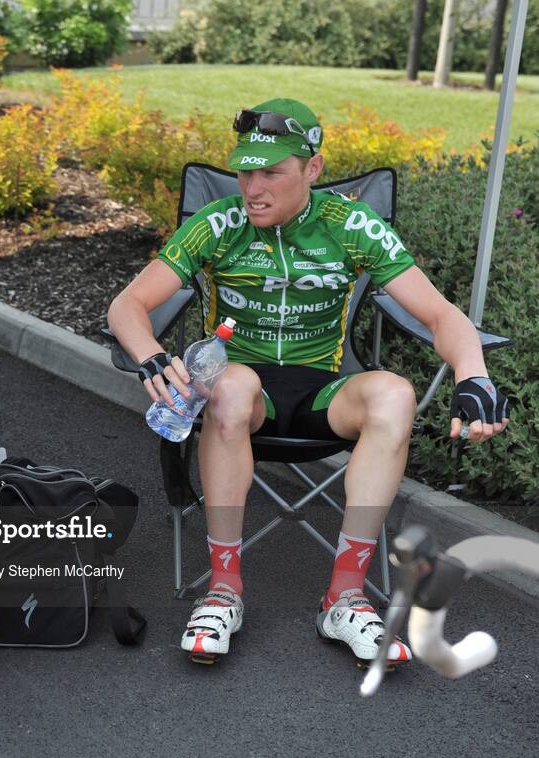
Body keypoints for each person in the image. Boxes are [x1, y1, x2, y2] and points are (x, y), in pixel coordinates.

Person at [107, 98, 509, 668]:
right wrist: (149, 354)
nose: (253, 188)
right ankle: (223, 591)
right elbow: (129, 304)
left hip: (323, 389)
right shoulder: (218, 224)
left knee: (394, 393)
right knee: (228, 388)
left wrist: (474, 376)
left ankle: (345, 596)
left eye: (273, 172)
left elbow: (442, 315)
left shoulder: (351, 224)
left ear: (312, 170)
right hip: (244, 392)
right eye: (246, 171)